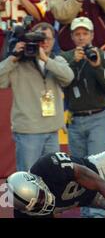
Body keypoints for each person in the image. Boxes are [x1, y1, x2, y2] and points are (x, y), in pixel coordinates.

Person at [60, 16, 105, 218]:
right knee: (80, 171)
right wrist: (73, 64)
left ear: (92, 35)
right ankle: (86, 212)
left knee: (97, 168)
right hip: (75, 119)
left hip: (99, 117)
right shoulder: (65, 58)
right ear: (72, 37)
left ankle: (97, 214)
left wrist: (97, 66)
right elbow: (62, 83)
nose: (82, 37)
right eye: (78, 34)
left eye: (85, 33)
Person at [0, 22, 74, 172]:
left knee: (53, 177)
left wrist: (46, 60)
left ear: (54, 41)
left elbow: (68, 78)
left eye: (48, 38)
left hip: (52, 130)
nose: (45, 42)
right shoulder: (18, 63)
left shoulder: (56, 60)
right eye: (40, 39)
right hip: (28, 131)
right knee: (29, 177)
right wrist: (12, 57)